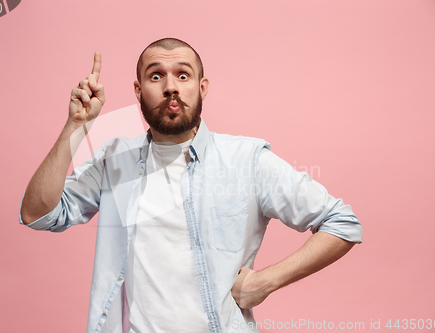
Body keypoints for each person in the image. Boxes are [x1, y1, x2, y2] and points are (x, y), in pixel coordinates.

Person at [19, 38, 362, 333]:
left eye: (183, 75)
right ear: (138, 90)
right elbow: (38, 213)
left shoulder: (247, 160)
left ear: (202, 87)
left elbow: (342, 223)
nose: (171, 86)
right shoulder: (114, 161)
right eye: (156, 76)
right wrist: (76, 126)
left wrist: (265, 281)